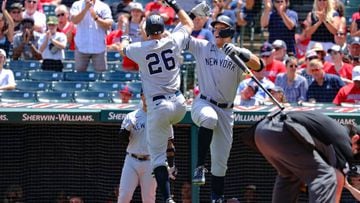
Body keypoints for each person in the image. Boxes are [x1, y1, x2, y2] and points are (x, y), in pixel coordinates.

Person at [183, 7, 263, 201]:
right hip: (203, 103)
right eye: (215, 28)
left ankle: (216, 198)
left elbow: (259, 65)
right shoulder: (203, 47)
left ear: (229, 32)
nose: (216, 31)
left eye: (221, 28)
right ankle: (199, 167)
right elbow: (183, 38)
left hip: (226, 111)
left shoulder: (236, 54)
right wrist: (192, 16)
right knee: (209, 119)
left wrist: (241, 52)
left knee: (220, 163)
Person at [118, 0, 194, 201]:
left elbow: (123, 48)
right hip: (179, 104)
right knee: (165, 138)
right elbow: (189, 24)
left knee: (157, 157)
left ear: (147, 30)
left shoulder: (140, 48)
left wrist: (127, 33)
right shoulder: (173, 40)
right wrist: (175, 5)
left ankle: (168, 198)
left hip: (158, 106)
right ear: (163, 28)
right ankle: (175, 162)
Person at [252, 111, 360, 202]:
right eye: (357, 150)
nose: (355, 152)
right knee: (326, 176)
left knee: (290, 175)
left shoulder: (332, 130)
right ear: (355, 138)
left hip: (262, 131)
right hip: (283, 132)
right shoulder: (344, 140)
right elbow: (338, 179)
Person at [118, 91, 176, 203]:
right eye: (145, 95)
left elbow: (169, 143)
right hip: (131, 160)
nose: (147, 98)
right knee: (124, 196)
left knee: (149, 198)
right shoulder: (132, 116)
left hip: (151, 162)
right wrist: (126, 129)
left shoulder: (162, 117)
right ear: (142, 96)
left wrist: (171, 164)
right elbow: (122, 140)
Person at [70, 0, 113, 72]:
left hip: (99, 47)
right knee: (79, 76)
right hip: (82, 47)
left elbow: (108, 24)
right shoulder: (77, 5)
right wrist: (85, 9)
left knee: (101, 75)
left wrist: (96, 18)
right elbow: (74, 20)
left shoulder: (103, 6)